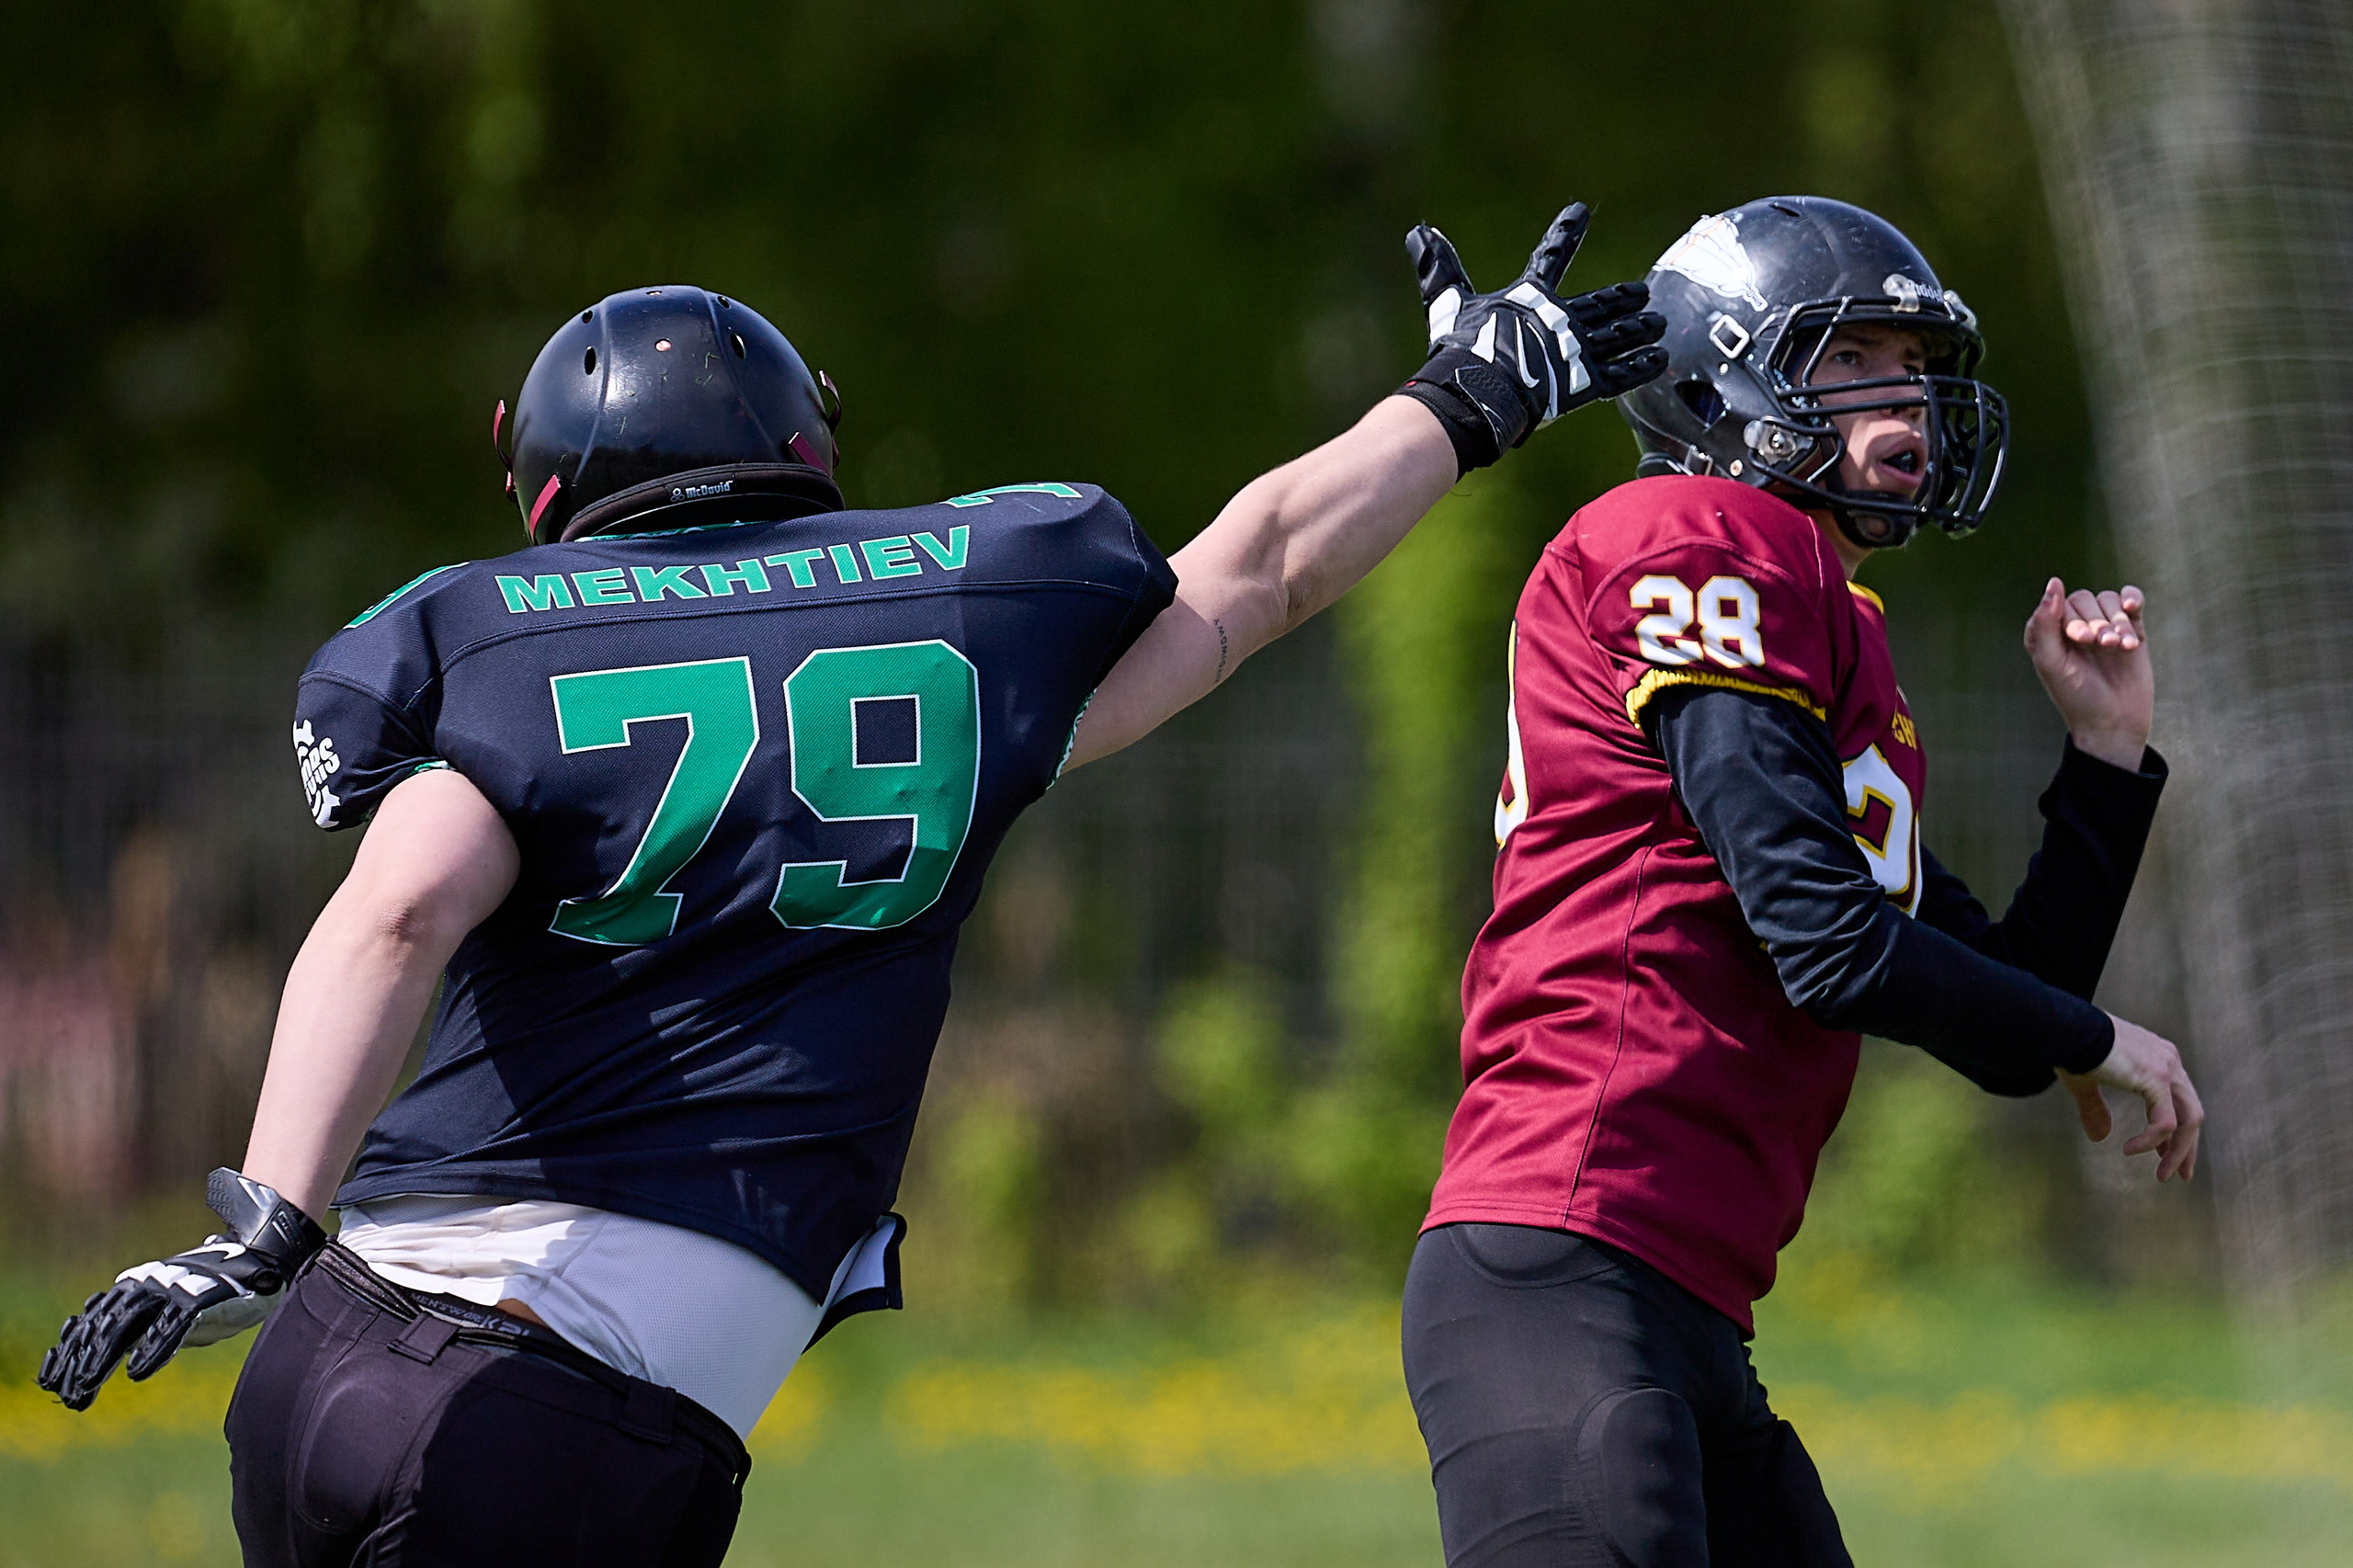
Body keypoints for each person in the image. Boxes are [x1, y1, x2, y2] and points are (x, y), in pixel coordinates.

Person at [37, 209, 1667, 1566]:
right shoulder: (951, 622)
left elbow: (398, 907)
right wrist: (1469, 397)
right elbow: (1260, 570)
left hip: (334, 1349)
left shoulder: (496, 630)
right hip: (557, 1424)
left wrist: (259, 1226)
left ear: (542, 485)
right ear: (798, 436)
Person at [1400, 196, 2204, 1567]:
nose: (1912, 410)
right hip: (1573, 1257)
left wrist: (2106, 755)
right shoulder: (1702, 532)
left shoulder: (1824, 625)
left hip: (1679, 1303)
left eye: (1918, 368)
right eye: (1854, 362)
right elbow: (1827, 944)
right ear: (1726, 372)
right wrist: (2097, 1038)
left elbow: (2015, 1009)